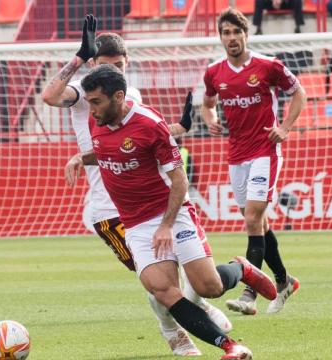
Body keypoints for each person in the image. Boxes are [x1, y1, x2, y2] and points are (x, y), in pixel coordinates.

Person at [42, 15, 230, 356]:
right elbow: (49, 95)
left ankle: (198, 303)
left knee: (187, 271)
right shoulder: (84, 94)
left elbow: (144, 136)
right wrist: (79, 58)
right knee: (161, 285)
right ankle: (174, 330)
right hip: (110, 209)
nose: (116, 71)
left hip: (151, 196)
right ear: (96, 65)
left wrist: (179, 128)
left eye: (120, 65)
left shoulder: (129, 94)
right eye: (107, 65)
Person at [68, 64, 277, 359]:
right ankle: (231, 347)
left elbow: (180, 180)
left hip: (172, 214)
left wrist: (165, 225)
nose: (91, 110)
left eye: (96, 102)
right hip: (137, 226)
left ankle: (240, 268)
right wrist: (81, 157)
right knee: (162, 290)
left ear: (118, 96)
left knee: (209, 287)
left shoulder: (149, 123)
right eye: (88, 102)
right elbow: (105, 151)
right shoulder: (97, 121)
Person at [201, 8, 306, 315]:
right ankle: (285, 281)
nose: (232, 38)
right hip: (236, 155)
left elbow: (299, 93)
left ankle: (250, 293)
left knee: (251, 218)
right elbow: (208, 103)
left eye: (237, 32)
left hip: (265, 150)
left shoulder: (268, 66)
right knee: (258, 222)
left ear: (246, 34)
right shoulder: (214, 72)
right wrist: (210, 119)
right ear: (220, 37)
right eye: (226, 33)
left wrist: (284, 128)